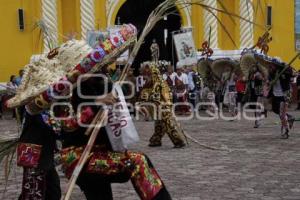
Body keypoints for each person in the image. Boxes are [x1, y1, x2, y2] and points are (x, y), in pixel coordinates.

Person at [138, 63, 186, 148]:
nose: (144, 76)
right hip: (161, 105)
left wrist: (144, 98)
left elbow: (154, 95)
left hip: (163, 105)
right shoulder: (157, 80)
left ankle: (178, 141)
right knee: (159, 124)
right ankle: (156, 140)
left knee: (168, 124)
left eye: (144, 73)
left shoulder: (157, 82)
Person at [17, 110, 61, 200]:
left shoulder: (47, 109)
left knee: (52, 190)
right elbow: (51, 127)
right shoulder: (33, 106)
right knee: (34, 190)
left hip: (45, 153)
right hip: (34, 154)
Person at [268, 63, 295, 139]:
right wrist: (270, 82)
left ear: (276, 66)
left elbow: (292, 75)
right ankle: (289, 117)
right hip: (275, 95)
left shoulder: (284, 71)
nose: (270, 67)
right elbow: (269, 81)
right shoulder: (271, 73)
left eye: (272, 65)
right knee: (276, 111)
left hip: (284, 95)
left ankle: (286, 131)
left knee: (282, 114)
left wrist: (288, 68)